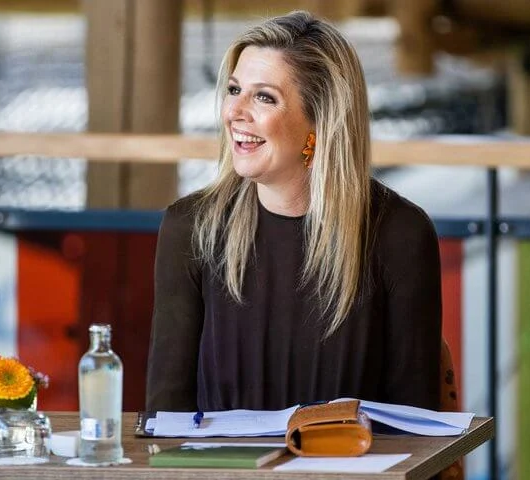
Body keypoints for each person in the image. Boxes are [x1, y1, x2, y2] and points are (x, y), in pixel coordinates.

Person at [145, 11, 441, 413]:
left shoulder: (399, 233)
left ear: (320, 123)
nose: (235, 112)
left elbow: (416, 424)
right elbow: (167, 418)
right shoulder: (190, 226)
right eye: (234, 90)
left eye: (264, 97)